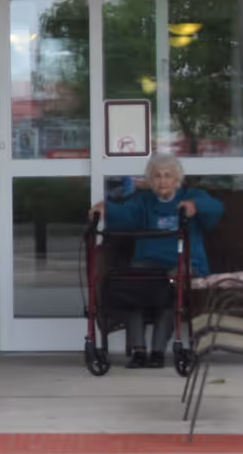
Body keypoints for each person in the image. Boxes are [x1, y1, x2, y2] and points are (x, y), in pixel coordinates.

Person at [90, 153, 223, 369]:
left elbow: (216, 207)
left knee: (170, 289)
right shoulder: (144, 200)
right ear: (151, 180)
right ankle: (139, 351)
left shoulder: (192, 194)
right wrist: (104, 209)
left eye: (168, 176)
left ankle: (158, 352)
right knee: (133, 287)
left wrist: (194, 206)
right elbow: (124, 213)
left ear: (177, 179)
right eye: (158, 176)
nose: (162, 181)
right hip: (149, 262)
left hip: (186, 262)